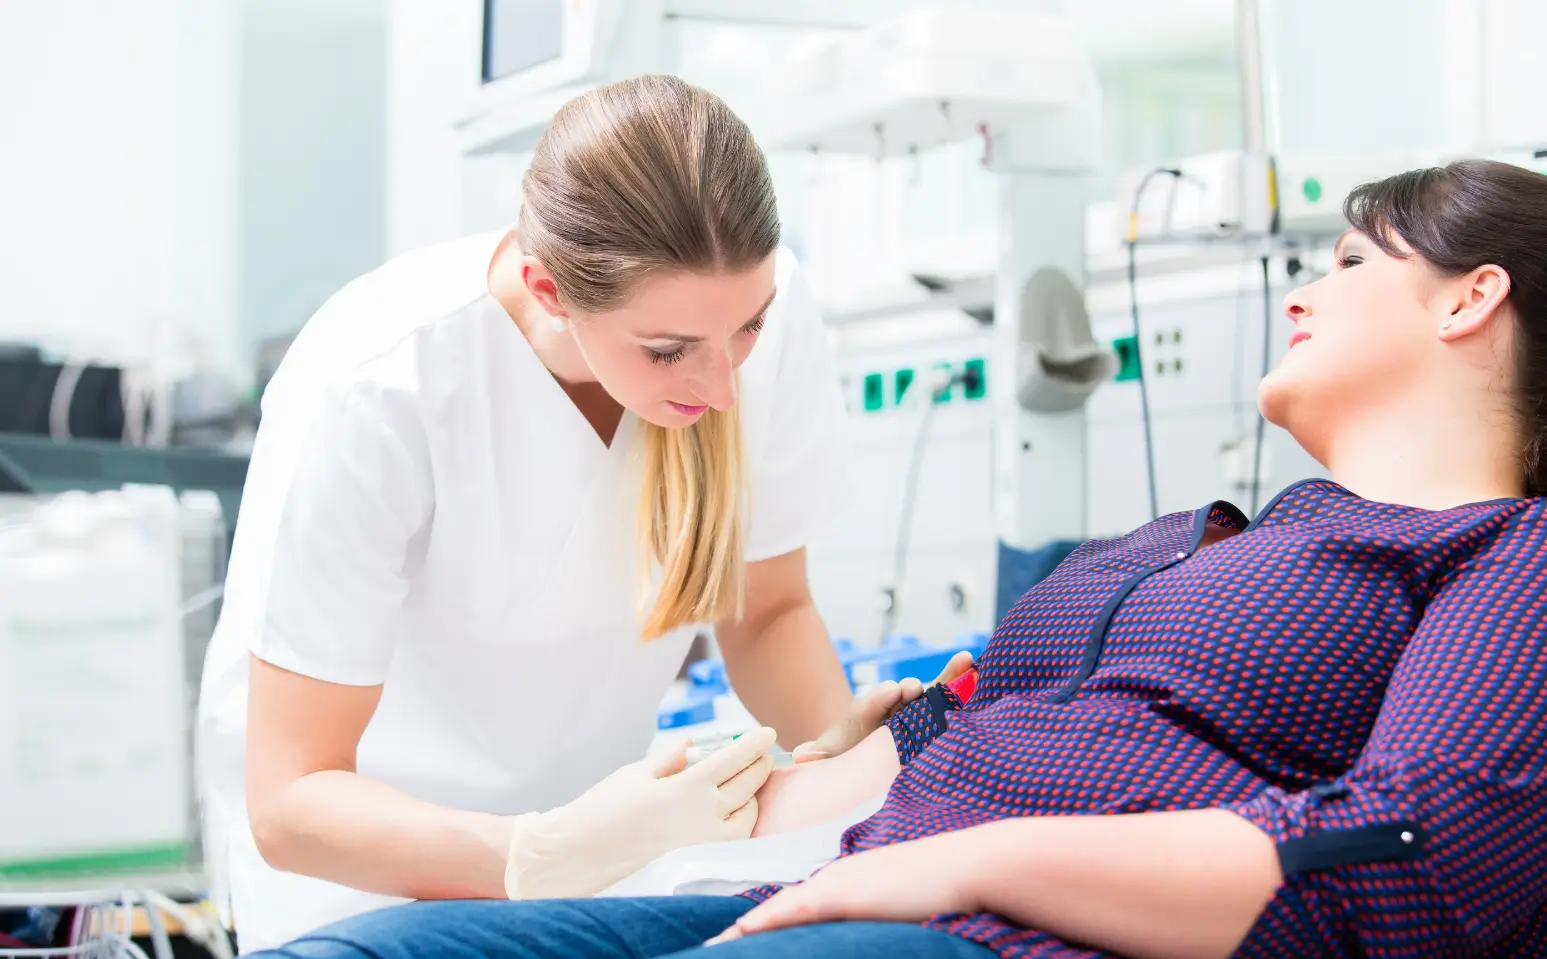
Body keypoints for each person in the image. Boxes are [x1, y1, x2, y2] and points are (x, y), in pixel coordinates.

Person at [240, 157, 1547, 959]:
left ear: (1466, 296)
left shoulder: (1505, 554)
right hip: (858, 883)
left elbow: (1407, 851)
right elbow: (896, 749)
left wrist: (969, 860)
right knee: (376, 949)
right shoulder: (1190, 545)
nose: (1299, 291)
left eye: (1345, 260)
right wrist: (642, 821)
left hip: (1006, 928)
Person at [194, 74, 953, 953]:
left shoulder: (756, 312)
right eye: (668, 350)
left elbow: (768, 608)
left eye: (748, 327)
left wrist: (843, 760)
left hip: (619, 857)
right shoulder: (379, 383)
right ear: (548, 289)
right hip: (363, 875)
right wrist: (543, 851)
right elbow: (293, 800)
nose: (722, 383)